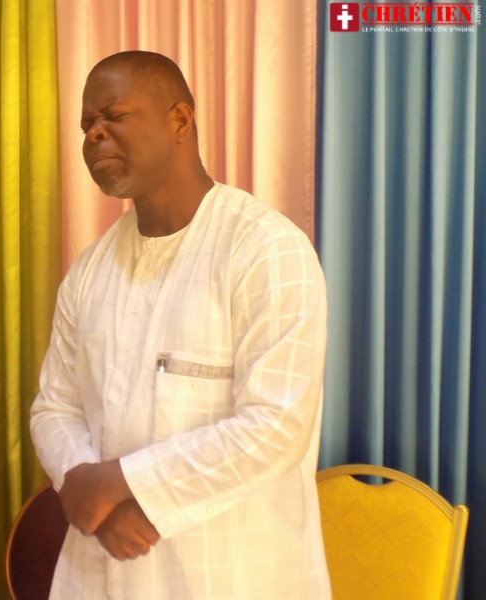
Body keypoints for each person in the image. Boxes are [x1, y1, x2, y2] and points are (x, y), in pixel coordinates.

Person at [30, 50, 332, 598]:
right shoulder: (89, 270)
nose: (94, 134)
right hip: (99, 567)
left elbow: (276, 426)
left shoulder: (266, 250)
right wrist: (88, 493)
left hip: (231, 574)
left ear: (180, 121)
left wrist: (119, 484)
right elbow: (55, 408)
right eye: (87, 124)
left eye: (114, 115)